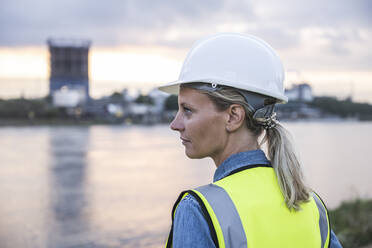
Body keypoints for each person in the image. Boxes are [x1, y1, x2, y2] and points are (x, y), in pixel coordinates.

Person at [158, 33, 342, 248]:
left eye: (187, 110)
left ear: (233, 116)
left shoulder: (198, 209)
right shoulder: (312, 204)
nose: (175, 124)